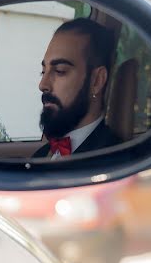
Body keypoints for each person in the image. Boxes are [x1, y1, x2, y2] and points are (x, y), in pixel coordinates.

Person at [34, 18, 122, 158]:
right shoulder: (41, 155)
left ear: (97, 81)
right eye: (43, 71)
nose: (42, 85)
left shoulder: (113, 159)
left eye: (60, 71)